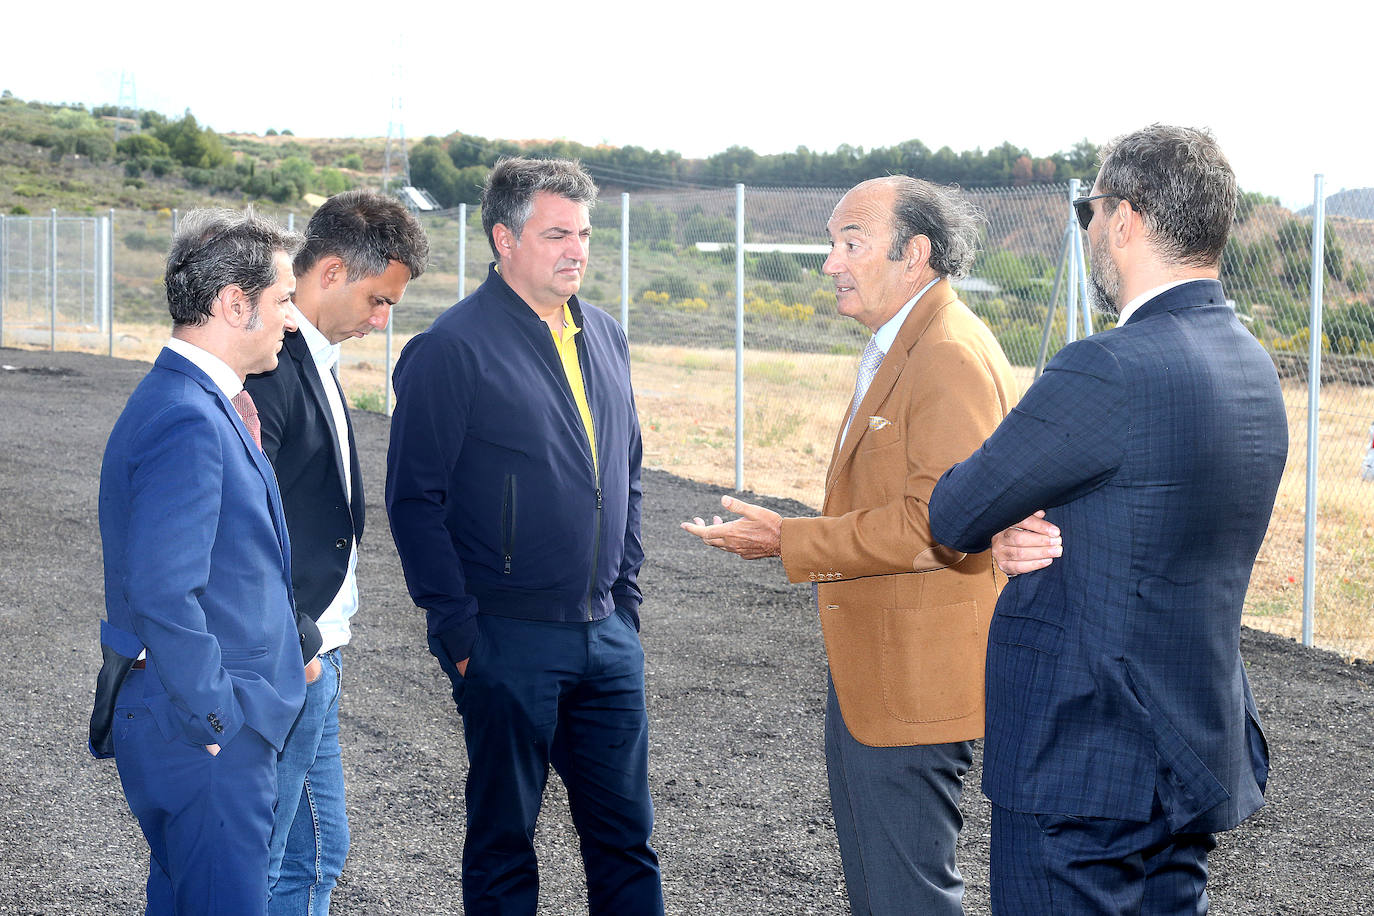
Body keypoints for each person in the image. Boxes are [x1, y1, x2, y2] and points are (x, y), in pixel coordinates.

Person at [928, 124, 1288, 913]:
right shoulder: (1252, 364)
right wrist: (1033, 523)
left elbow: (952, 511)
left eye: (1091, 211)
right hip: (1192, 749)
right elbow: (1156, 520)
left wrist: (1003, 520)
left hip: (1084, 761)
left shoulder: (1107, 367)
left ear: (1125, 218)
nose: (1089, 230)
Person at [681, 176, 1018, 915]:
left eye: (851, 243)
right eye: (832, 243)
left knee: (907, 897)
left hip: (915, 683)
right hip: (882, 677)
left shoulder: (947, 354)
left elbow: (942, 523)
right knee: (882, 892)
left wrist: (789, 540)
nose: (830, 262)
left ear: (915, 254)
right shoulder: (909, 341)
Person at [385, 157, 662, 915]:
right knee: (505, 845)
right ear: (504, 238)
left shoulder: (604, 334)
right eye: (555, 234)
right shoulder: (451, 348)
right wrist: (460, 629)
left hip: (605, 636)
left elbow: (626, 475)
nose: (575, 249)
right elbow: (413, 500)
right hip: (506, 639)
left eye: (583, 233)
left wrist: (625, 605)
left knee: (626, 841)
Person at [89, 209, 306, 915]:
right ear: (232, 303)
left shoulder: (198, 402)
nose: (293, 320)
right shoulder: (187, 415)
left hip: (201, 725)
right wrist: (219, 718)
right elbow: (162, 591)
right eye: (283, 301)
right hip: (206, 733)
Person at [244, 189, 429, 914]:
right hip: (289, 657)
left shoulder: (311, 358)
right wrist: (299, 642)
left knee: (319, 852)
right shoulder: (270, 366)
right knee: (260, 862)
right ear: (327, 274)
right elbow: (245, 527)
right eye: (378, 301)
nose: (382, 322)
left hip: (320, 653)